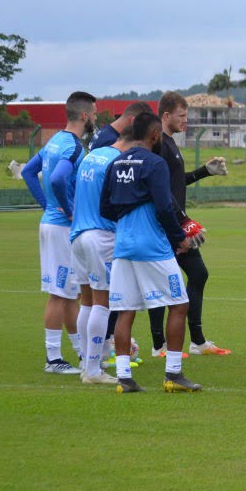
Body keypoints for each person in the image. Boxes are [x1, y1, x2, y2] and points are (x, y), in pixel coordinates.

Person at [101, 111, 201, 394]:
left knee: (125, 312)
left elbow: (105, 209)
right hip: (153, 247)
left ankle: (124, 379)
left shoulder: (116, 162)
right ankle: (173, 374)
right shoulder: (156, 163)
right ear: (155, 134)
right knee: (179, 304)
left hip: (123, 246)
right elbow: (163, 207)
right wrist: (179, 238)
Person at [147, 92, 230, 358]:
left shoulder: (170, 142)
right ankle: (159, 345)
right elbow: (159, 188)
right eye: (182, 116)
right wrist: (183, 220)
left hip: (175, 221)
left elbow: (175, 181)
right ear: (166, 116)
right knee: (164, 282)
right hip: (166, 224)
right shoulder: (159, 143)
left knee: (198, 274)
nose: (186, 121)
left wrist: (204, 171)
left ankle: (196, 341)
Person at [21, 90, 96, 374]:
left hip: (53, 223)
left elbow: (29, 172)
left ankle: (80, 351)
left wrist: (47, 205)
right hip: (61, 227)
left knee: (69, 292)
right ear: (85, 116)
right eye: (95, 113)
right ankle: (53, 359)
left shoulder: (54, 142)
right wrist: (66, 208)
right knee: (58, 293)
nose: (96, 118)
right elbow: (59, 177)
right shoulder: (73, 147)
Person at [69, 119, 135, 385]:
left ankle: (87, 363)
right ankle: (94, 371)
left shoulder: (93, 154)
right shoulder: (117, 162)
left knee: (86, 301)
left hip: (78, 234)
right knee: (102, 302)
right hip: (101, 236)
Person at [92, 101, 153, 351]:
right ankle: (105, 346)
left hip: (99, 225)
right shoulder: (110, 144)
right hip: (103, 229)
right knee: (102, 298)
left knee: (101, 297)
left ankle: (105, 346)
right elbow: (106, 191)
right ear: (132, 123)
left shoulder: (104, 138)